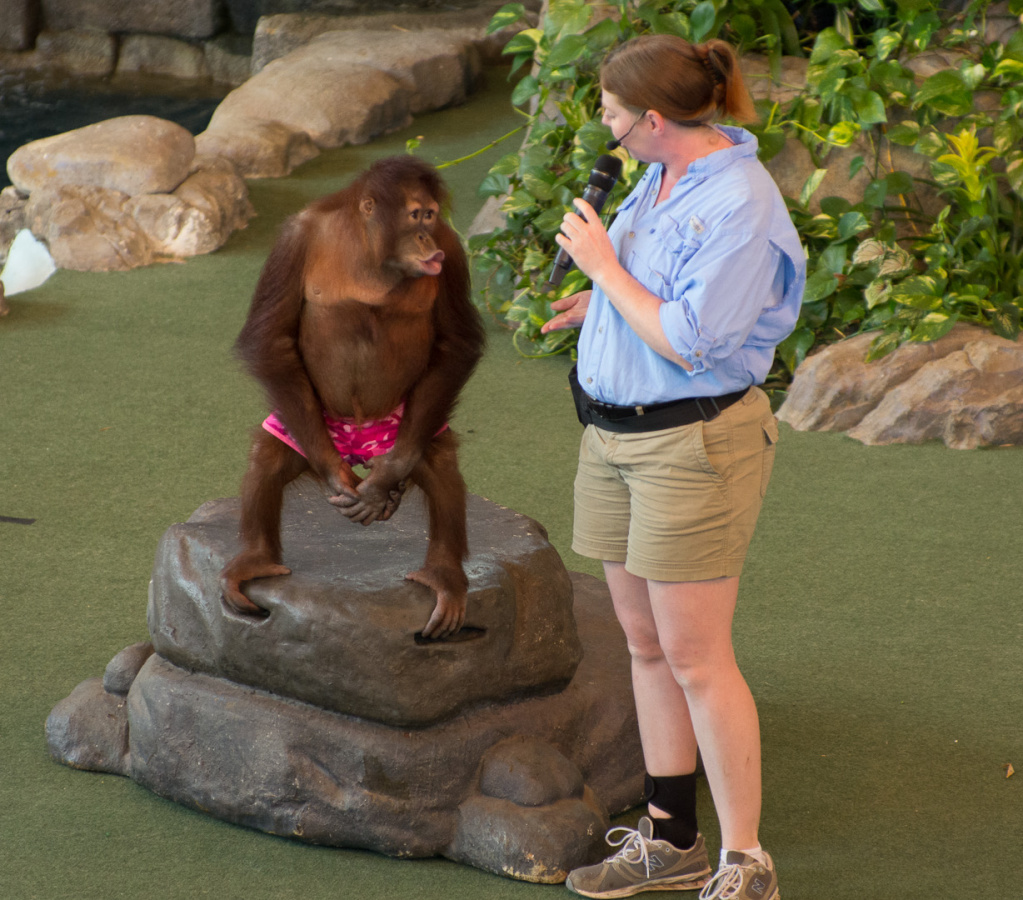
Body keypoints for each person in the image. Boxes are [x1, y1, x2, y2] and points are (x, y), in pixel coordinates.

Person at [540, 35, 805, 900]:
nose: (604, 129)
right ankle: (670, 838)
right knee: (644, 645)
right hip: (612, 438)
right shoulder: (659, 176)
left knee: (695, 657)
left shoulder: (742, 204)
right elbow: (661, 299)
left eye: (613, 115)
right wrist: (600, 305)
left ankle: (745, 862)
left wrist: (605, 268)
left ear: (654, 120)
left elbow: (692, 342)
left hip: (690, 446)